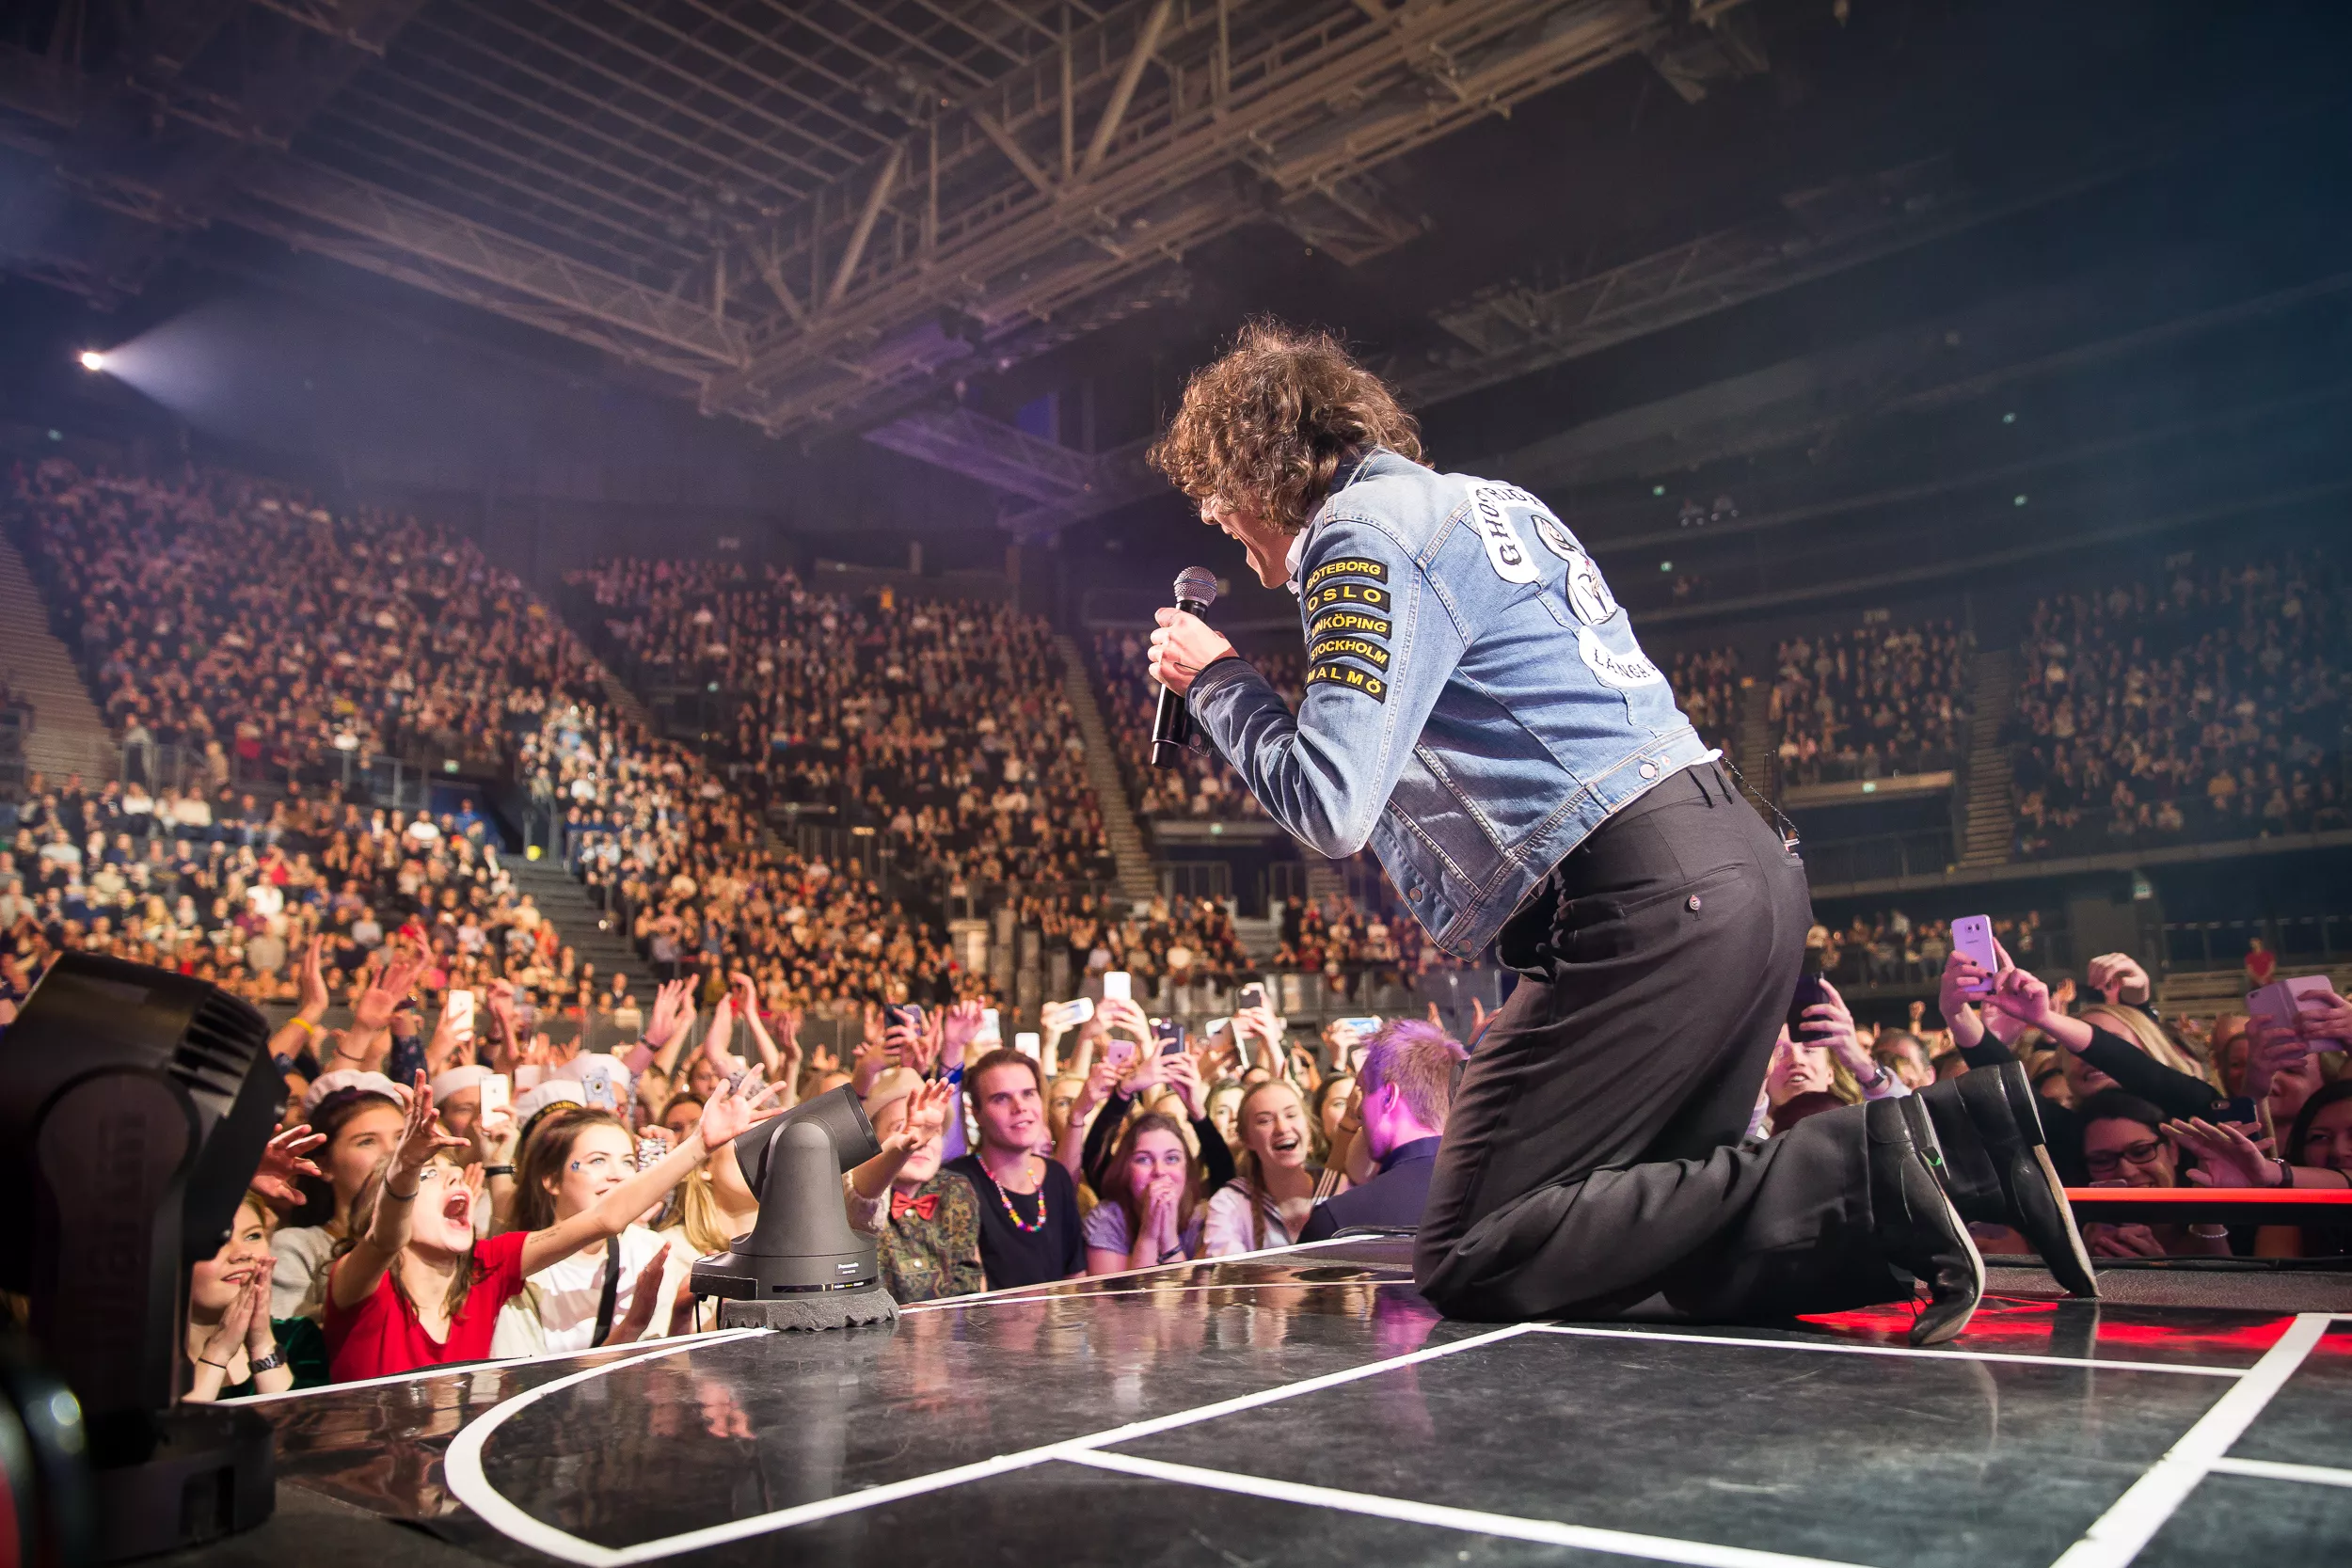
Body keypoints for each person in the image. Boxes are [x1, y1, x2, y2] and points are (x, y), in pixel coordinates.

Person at [1144, 322, 2007, 1342]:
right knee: (1641, 1227)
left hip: (1640, 895)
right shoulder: (1490, 503)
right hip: (1736, 868)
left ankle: (1889, 1152)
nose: (1214, 519)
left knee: (1474, 1243)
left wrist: (1220, 684)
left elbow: (1331, 805)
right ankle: (1978, 1143)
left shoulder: (1357, 531)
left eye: (1213, 485)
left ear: (1261, 460)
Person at [322, 1070, 777, 1383]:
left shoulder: (488, 1266)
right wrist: (406, 1164)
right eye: (430, 1174)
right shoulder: (362, 1285)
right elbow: (385, 1239)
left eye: (455, 1172)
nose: (453, 1177)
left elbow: (604, 1218)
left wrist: (700, 1144)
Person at [490, 1105, 676, 1356]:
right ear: (553, 1180)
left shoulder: (650, 1251)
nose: (617, 1175)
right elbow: (528, 1385)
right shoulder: (526, 1270)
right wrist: (631, 1327)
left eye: (628, 1162)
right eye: (598, 1160)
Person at [1300, 1021, 1463, 1243]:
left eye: (1365, 1091)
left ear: (1388, 1097)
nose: (1358, 1109)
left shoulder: (1338, 1223)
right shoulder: (1503, 1200)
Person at [944, 1048, 1084, 1288]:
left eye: (1028, 1093)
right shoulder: (957, 1182)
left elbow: (1075, 1278)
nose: (1020, 1107)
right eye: (1001, 1098)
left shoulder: (1056, 1176)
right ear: (977, 1113)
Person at [184, 1195, 331, 1401]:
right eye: (218, 1240)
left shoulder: (296, 1338)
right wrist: (218, 1352)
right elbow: (176, 1431)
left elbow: (299, 1429)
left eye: (253, 1236)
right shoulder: (141, 1360)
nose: (243, 1253)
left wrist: (261, 1345)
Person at [866, 1071, 985, 1303]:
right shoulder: (856, 1201)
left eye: (933, 1131)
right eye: (904, 1127)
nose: (921, 1142)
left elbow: (971, 1284)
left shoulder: (955, 1190)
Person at [1202, 1080, 1317, 1256]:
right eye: (1264, 1121)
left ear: (1308, 1126)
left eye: (1291, 1115)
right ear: (1246, 1138)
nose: (1282, 1128)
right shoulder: (1230, 1202)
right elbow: (1231, 1274)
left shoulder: (1339, 1188)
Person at [1086, 1113, 1207, 1274]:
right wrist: (1149, 1234)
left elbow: (1189, 1298)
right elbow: (1125, 1298)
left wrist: (1169, 1239)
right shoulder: (1106, 1219)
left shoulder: (1203, 1219)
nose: (1159, 1171)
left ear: (1186, 1168)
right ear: (1126, 1169)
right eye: (1144, 1159)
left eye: (1171, 1158)